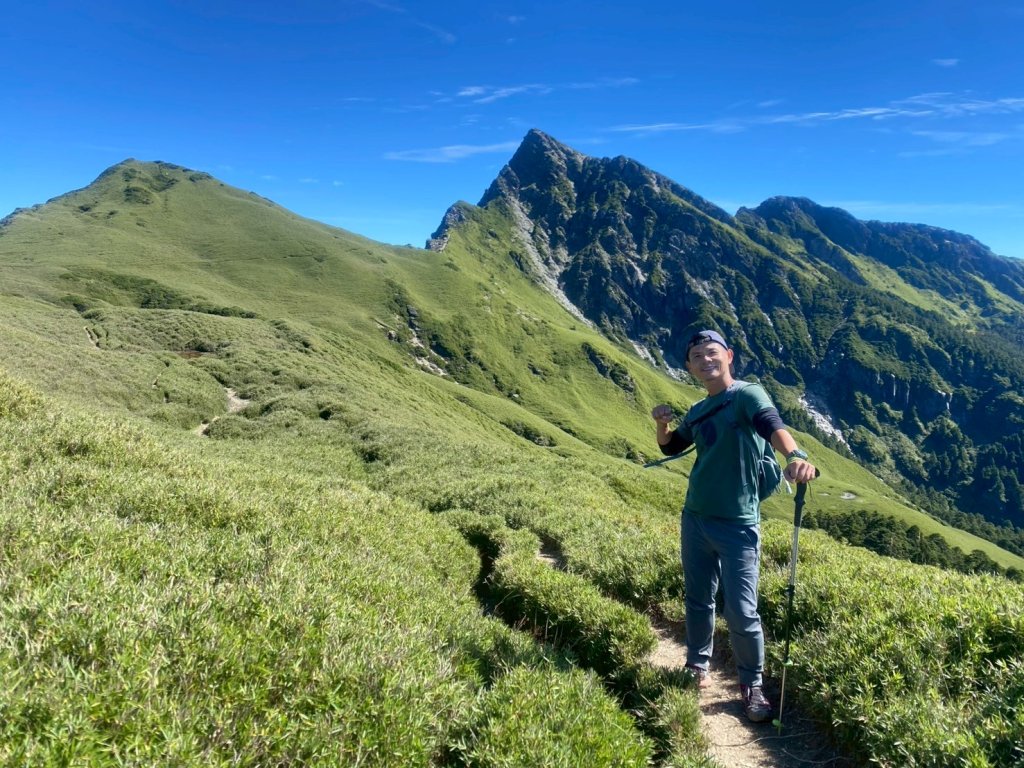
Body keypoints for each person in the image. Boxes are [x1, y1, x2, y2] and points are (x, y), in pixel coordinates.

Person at [651, 329, 817, 723]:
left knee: (741, 610)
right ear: (689, 366)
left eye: (712, 352)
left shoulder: (747, 395)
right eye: (696, 356)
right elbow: (673, 446)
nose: (705, 360)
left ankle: (751, 684)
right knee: (698, 599)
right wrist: (661, 424)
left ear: (729, 355)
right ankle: (697, 665)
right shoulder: (698, 409)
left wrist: (795, 455)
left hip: (739, 523)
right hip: (695, 517)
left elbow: (771, 423)